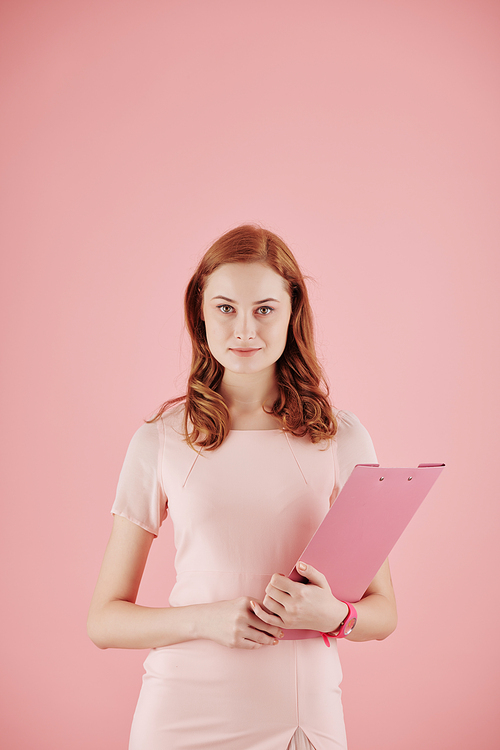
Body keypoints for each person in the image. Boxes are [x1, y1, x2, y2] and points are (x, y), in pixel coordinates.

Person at [87, 224, 397, 750]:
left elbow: (383, 612)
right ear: (201, 314)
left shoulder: (341, 438)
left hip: (301, 712)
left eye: (265, 309)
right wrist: (206, 619)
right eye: (226, 308)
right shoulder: (161, 440)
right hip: (180, 713)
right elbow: (105, 621)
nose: (244, 329)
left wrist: (337, 617)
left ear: (292, 313)